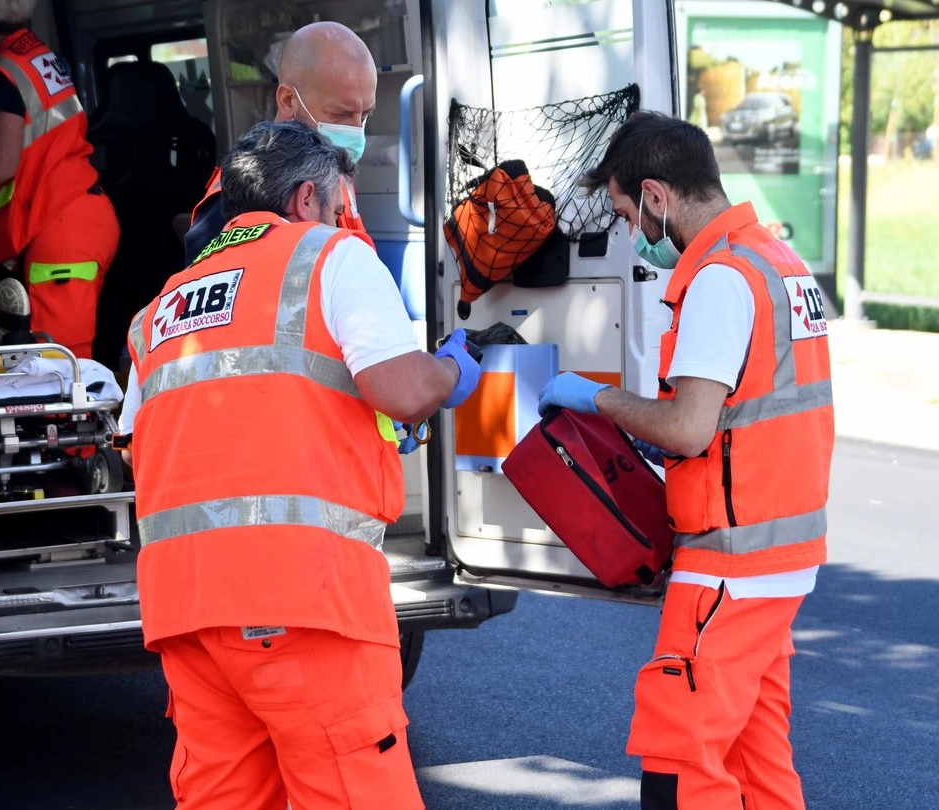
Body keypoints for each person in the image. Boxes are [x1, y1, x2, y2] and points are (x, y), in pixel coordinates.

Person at [122, 121, 481, 809]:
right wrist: (449, 370)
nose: (345, 218)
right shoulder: (329, 257)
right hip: (303, 600)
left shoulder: (161, 306)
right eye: (341, 205)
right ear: (309, 198)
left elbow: (157, 442)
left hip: (187, 611)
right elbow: (402, 390)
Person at [539, 111, 834, 809]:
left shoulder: (721, 280)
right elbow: (747, 413)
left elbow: (690, 428)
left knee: (680, 764)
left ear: (656, 195)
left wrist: (599, 400)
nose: (633, 231)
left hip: (729, 565)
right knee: (759, 763)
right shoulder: (780, 264)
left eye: (626, 212)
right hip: (781, 552)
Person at [0, 0, 119, 359]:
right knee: (54, 359)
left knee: (57, 364)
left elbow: (1, 165)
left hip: (62, 228)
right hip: (78, 215)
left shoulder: (4, 75)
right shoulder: (37, 56)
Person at [183, 21, 375, 265]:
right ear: (287, 100)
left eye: (366, 114)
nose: (356, 130)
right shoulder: (242, 191)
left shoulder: (329, 168)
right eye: (339, 115)